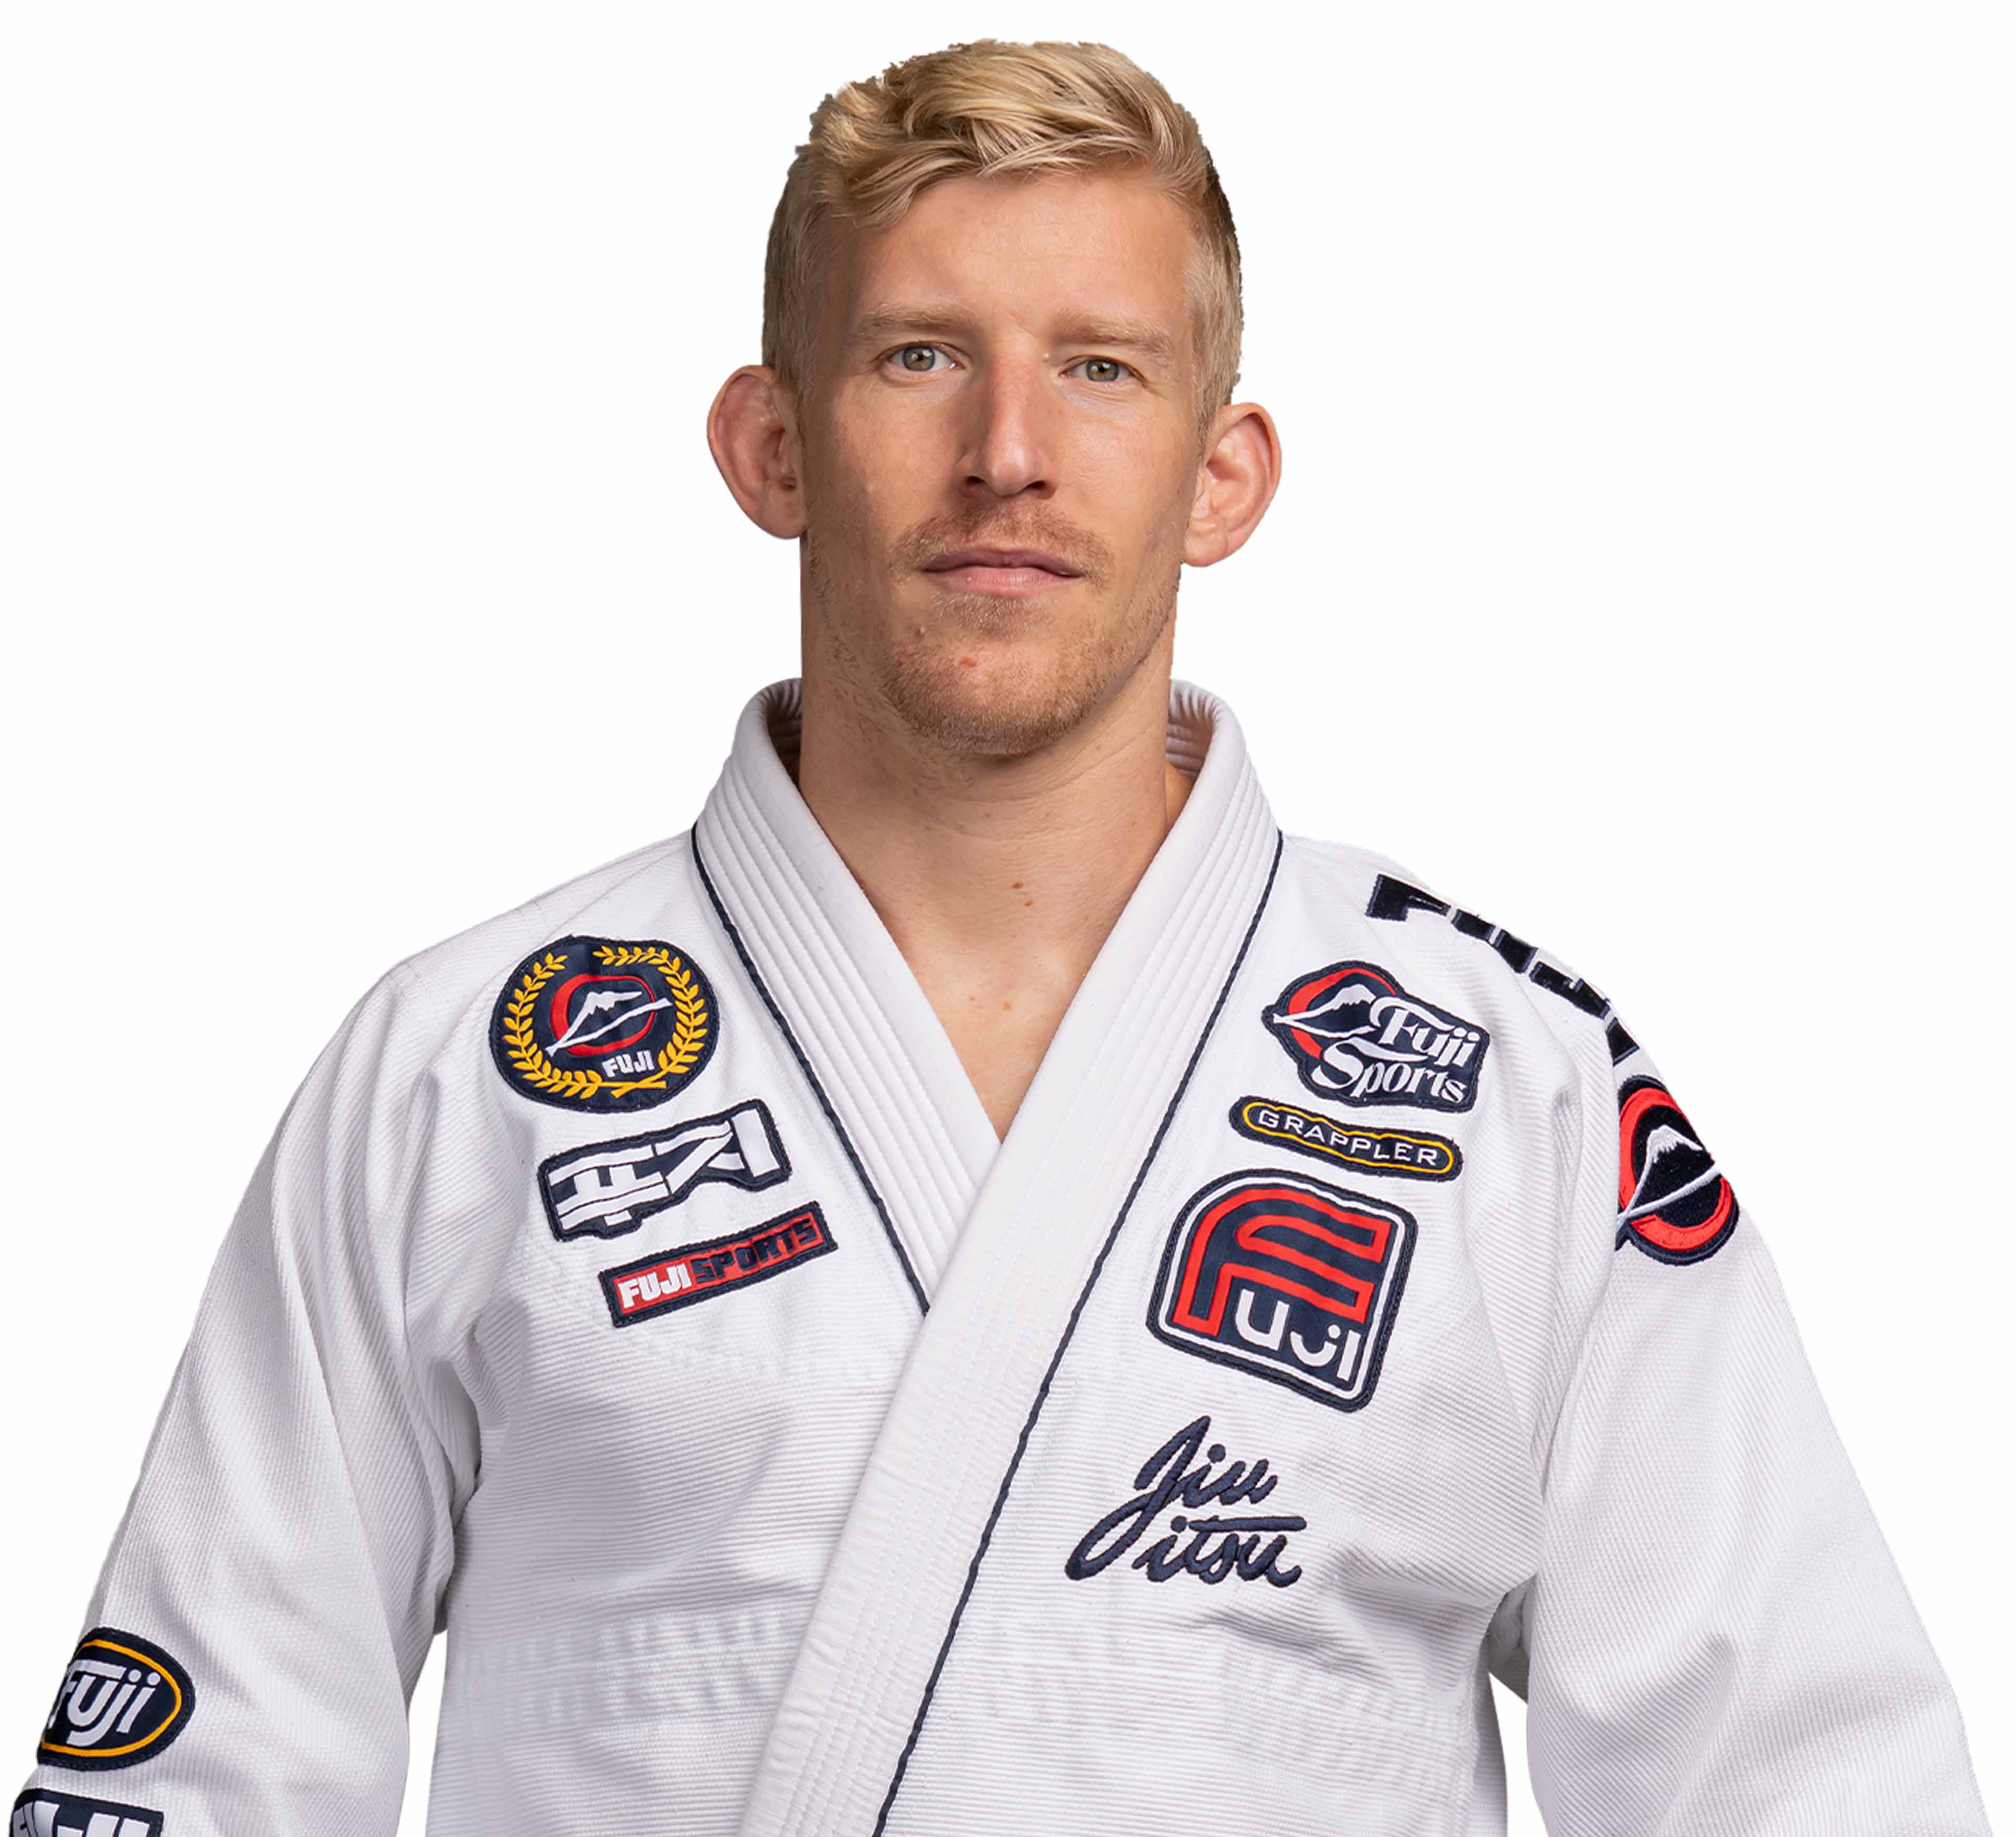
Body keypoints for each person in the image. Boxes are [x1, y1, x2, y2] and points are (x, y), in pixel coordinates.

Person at [14, 37, 1989, 1837]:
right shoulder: (456, 1069)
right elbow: (201, 1778)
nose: (1009, 454)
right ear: (768, 445)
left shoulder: (1512, 1085)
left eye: (1103, 366)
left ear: (1225, 476)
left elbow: (1805, 1784)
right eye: (917, 356)